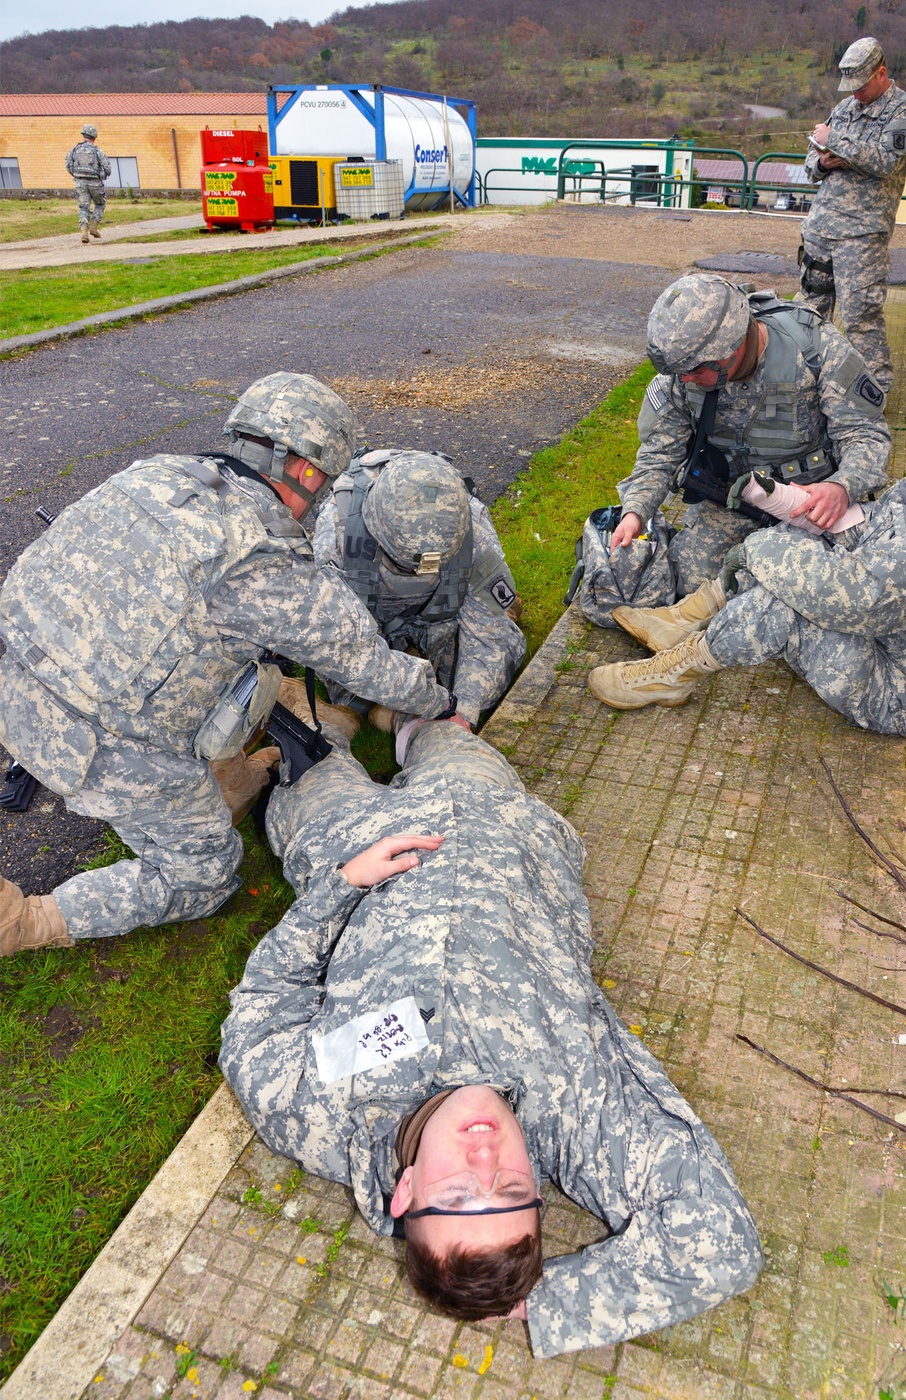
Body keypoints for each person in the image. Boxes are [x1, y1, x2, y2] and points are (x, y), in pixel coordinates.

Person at [219, 719, 763, 1357]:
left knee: (307, 758)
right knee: (435, 730)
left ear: (407, 1193)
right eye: (511, 1189)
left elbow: (258, 1014)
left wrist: (339, 888)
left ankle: (318, 729)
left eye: (456, 1192)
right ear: (537, 1188)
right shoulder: (576, 1108)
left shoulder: (324, 1112)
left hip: (348, 839)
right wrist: (543, 1300)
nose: (487, 1158)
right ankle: (403, 720)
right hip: (492, 811)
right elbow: (720, 1244)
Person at [0, 372, 459, 958]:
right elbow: (371, 669)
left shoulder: (152, 475)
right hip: (100, 749)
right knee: (205, 877)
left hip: (18, 683)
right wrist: (439, 703)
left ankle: (229, 776)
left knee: (240, 671)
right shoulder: (265, 560)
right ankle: (22, 923)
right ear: (307, 472)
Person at [588, 402, 906, 737]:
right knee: (800, 540)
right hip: (877, 637)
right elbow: (861, 530)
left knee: (781, 599)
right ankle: (683, 620)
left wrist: (758, 550)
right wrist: (808, 512)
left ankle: (672, 673)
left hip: (895, 689)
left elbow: (855, 597)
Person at [611, 273, 891, 599]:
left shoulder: (817, 349)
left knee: (818, 593)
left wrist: (842, 487)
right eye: (680, 371)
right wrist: (634, 512)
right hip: (731, 503)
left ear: (734, 345)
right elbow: (660, 454)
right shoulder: (684, 374)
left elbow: (866, 435)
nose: (685, 379)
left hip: (810, 509)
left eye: (697, 369)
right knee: (691, 586)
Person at [312, 448, 525, 730]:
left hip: (439, 622)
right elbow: (337, 644)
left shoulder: (470, 522)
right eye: (409, 567)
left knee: (505, 650)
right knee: (355, 701)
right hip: (365, 632)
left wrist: (464, 713)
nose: (419, 574)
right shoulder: (339, 531)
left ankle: (498, 610)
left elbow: (489, 640)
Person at [798, 37, 906, 393]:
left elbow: (887, 161)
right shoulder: (843, 109)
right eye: (851, 87)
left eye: (862, 85)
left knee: (861, 320)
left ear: (881, 73)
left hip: (862, 235)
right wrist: (822, 161)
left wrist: (835, 141)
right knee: (809, 312)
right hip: (821, 229)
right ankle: (807, 385)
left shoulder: (904, 112)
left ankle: (873, 396)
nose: (856, 94)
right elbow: (809, 162)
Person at [65, 124, 112, 245]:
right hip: (95, 183)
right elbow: (107, 167)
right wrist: (101, 175)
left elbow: (68, 164)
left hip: (80, 183)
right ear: (94, 136)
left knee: (84, 207)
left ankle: (84, 231)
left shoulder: (75, 149)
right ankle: (94, 227)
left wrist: (76, 175)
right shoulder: (97, 151)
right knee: (100, 204)